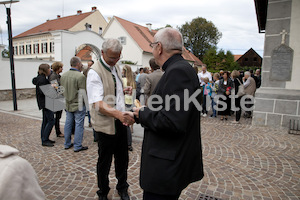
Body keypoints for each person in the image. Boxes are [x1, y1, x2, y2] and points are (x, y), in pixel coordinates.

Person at [133, 28, 204, 200]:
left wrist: (142, 114)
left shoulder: (178, 72)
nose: (152, 50)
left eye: (152, 46)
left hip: (165, 166)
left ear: (159, 47)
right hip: (170, 161)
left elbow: (173, 122)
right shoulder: (180, 68)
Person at [86, 38, 134, 200]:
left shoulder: (115, 67)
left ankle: (122, 187)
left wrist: (122, 90)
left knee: (123, 159)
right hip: (106, 125)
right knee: (104, 162)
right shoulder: (94, 72)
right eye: (112, 57)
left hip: (120, 122)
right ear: (102, 53)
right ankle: (103, 192)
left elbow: (112, 88)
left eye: (118, 57)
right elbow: (98, 104)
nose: (115, 60)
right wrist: (120, 114)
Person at [60, 56, 88, 152]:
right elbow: (83, 92)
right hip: (78, 104)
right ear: (78, 64)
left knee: (68, 123)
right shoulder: (80, 76)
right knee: (79, 125)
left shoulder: (63, 75)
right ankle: (77, 145)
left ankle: (67, 143)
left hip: (68, 103)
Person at [32, 63, 55, 147]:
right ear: (46, 70)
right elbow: (44, 92)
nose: (50, 70)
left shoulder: (40, 78)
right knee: (51, 120)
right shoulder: (43, 80)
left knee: (45, 121)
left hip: (43, 102)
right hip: (46, 103)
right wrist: (51, 87)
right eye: (49, 69)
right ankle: (45, 139)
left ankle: (44, 137)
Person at [122, 65, 136, 152]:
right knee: (128, 123)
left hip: (124, 103)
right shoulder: (133, 81)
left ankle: (127, 143)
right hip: (131, 103)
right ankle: (129, 143)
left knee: (124, 124)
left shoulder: (123, 80)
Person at [49, 62, 64, 138]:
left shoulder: (58, 76)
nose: (62, 69)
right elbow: (55, 88)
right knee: (57, 117)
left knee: (58, 116)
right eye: (61, 67)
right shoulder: (53, 77)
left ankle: (58, 131)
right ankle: (57, 132)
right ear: (58, 68)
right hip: (56, 99)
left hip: (59, 98)